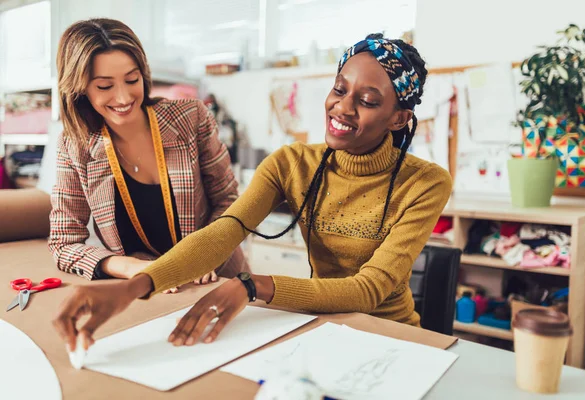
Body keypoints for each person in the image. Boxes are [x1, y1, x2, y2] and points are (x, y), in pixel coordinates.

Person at [54, 34, 453, 351]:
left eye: (367, 100)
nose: (342, 108)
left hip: (395, 336)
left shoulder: (426, 182)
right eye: (339, 89)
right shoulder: (291, 163)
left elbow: (368, 290)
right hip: (326, 327)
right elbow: (226, 230)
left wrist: (251, 285)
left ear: (399, 118)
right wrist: (132, 288)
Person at [48, 18, 249, 292]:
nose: (123, 98)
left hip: (219, 280)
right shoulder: (75, 146)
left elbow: (228, 201)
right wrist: (133, 268)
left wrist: (205, 254)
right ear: (79, 88)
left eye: (132, 80)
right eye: (104, 86)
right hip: (148, 291)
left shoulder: (191, 118)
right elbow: (63, 242)